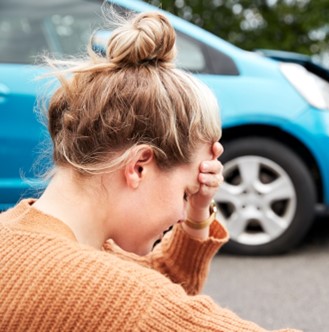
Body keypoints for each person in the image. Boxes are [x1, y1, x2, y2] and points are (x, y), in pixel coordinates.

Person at [0, 11, 299, 332]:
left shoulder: (16, 232)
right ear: (139, 167)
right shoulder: (121, 298)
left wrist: (199, 212)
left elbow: (152, 281)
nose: (182, 212)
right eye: (185, 193)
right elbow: (145, 303)